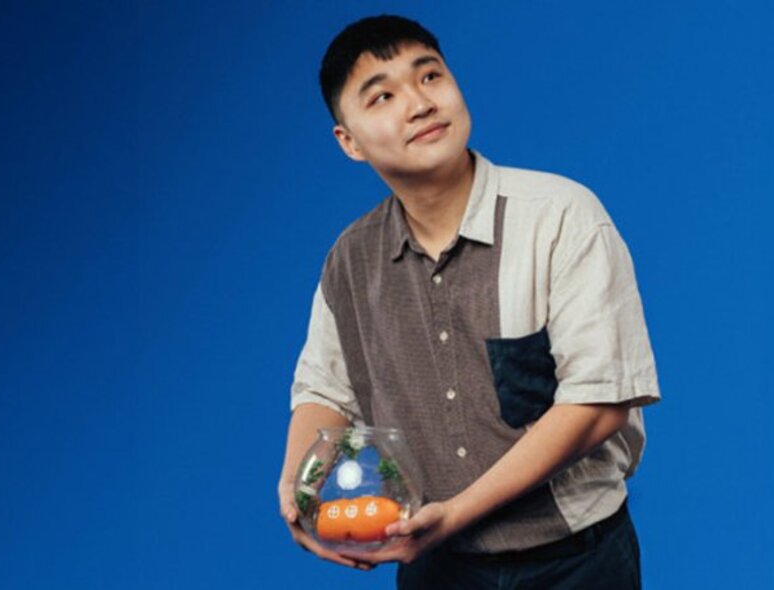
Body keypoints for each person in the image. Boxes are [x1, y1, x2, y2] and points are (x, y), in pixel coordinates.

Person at [277, 14, 661, 589]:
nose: (419, 103)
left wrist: (454, 514)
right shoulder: (351, 259)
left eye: (430, 77)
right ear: (349, 141)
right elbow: (326, 390)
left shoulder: (560, 218)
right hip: (438, 568)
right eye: (383, 95)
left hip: (576, 562)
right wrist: (299, 488)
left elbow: (599, 404)